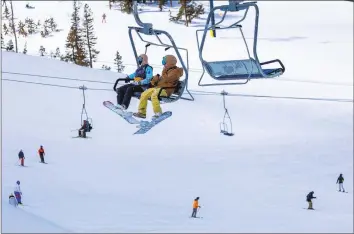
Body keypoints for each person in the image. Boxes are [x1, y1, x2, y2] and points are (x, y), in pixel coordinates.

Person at [133, 55, 183, 119]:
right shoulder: (167, 71)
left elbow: (168, 79)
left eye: (164, 62)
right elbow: (162, 80)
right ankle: (141, 112)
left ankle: (158, 112)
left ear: (169, 62)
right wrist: (155, 79)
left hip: (166, 90)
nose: (163, 64)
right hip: (159, 88)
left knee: (154, 95)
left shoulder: (176, 71)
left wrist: (163, 72)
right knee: (144, 94)